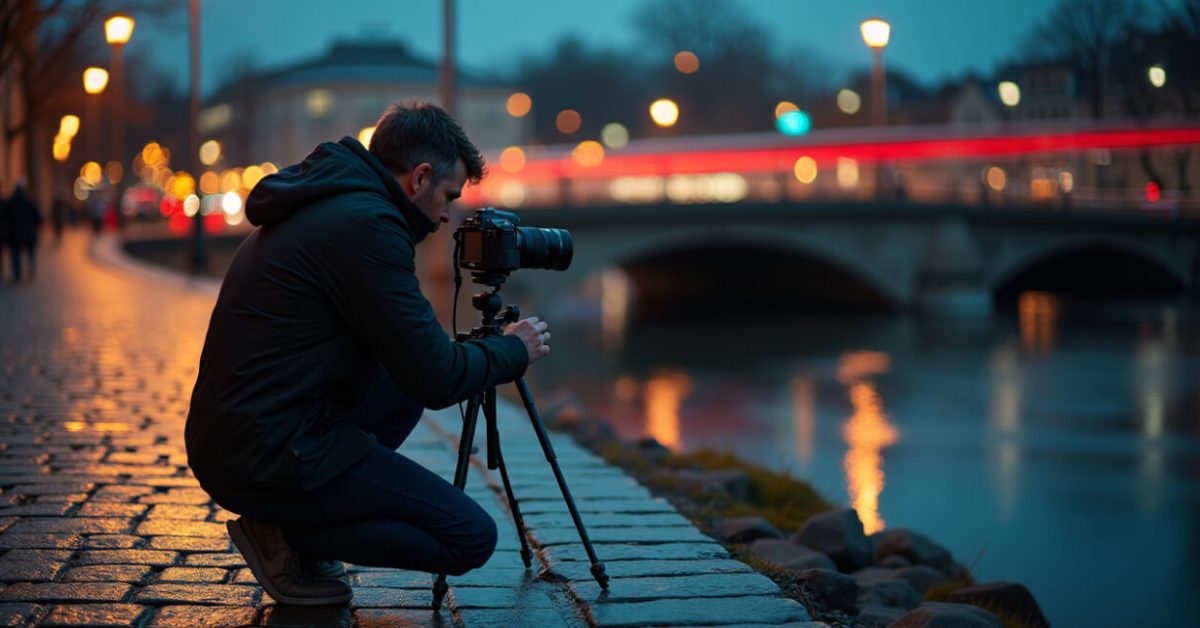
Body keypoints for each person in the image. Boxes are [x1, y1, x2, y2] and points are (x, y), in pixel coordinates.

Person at [185, 102, 552, 606]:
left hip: (249, 434)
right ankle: (286, 535)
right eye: (448, 196)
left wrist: (466, 353)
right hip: (262, 453)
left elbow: (419, 364)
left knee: (400, 386)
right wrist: (513, 351)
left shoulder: (334, 203)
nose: (448, 215)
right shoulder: (366, 229)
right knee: (470, 537)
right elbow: (439, 379)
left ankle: (305, 514)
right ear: (419, 177)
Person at [5, 180, 41, 281]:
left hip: (15, 234)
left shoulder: (11, 201)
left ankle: (17, 273)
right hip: (29, 233)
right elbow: (38, 218)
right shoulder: (30, 202)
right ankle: (31, 268)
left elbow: (6, 217)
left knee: (15, 253)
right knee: (30, 252)